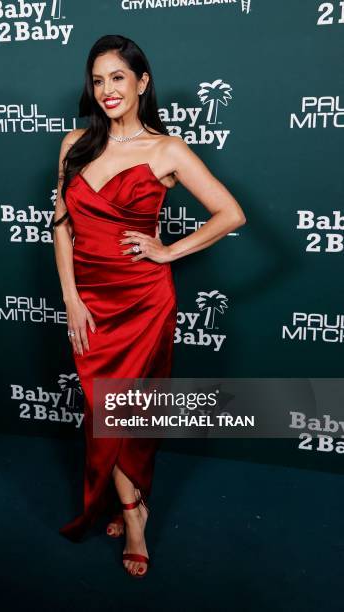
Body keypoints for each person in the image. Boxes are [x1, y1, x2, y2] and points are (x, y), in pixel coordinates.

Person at [52, 34, 246, 578]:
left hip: (143, 301)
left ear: (142, 82)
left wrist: (167, 250)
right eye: (98, 80)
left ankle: (133, 513)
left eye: (118, 77)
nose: (107, 90)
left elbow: (230, 213)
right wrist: (70, 299)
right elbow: (61, 228)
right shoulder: (75, 144)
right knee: (101, 409)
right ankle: (127, 499)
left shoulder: (167, 150)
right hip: (89, 301)